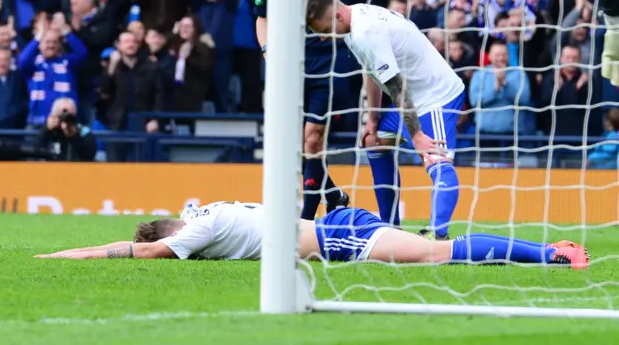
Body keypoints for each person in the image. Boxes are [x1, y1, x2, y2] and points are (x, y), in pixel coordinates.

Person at [305, 0, 465, 241]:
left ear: (336, 15)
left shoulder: (366, 31)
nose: (324, 38)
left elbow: (396, 86)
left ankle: (438, 236)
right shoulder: (353, 20)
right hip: (410, 98)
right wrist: (373, 118)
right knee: (374, 140)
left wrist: (418, 135)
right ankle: (390, 227)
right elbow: (372, 72)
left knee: (436, 159)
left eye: (324, 30)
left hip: (435, 96)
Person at [35, 202, 589, 270]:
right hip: (335, 225)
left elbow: (149, 248)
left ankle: (552, 255)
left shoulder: (195, 229)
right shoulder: (205, 211)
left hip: (336, 238)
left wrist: (65, 252)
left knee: (435, 257)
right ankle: (546, 254)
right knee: (433, 251)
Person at [254, 0, 364, 220]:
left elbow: (358, 18)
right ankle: (333, 194)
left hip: (331, 66)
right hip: (290, 68)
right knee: (294, 145)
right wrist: (267, 50)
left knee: (313, 138)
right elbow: (262, 17)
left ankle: (304, 221)